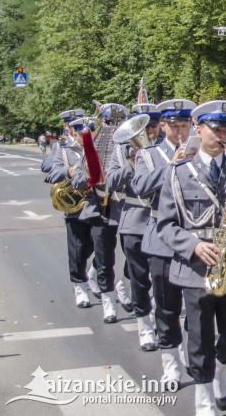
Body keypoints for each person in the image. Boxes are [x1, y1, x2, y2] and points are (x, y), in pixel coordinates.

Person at [156, 100, 226, 415]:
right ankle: (204, 398)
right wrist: (192, 246)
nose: (223, 135)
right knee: (198, 334)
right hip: (194, 266)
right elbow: (166, 225)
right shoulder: (177, 172)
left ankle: (221, 368)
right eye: (216, 129)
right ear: (198, 130)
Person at [132, 98, 198, 384]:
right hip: (161, 236)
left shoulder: (200, 151)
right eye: (174, 126)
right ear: (163, 126)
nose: (180, 131)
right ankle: (169, 357)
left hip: (196, 235)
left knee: (197, 305)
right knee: (166, 304)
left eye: (185, 125)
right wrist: (171, 166)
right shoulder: (148, 154)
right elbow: (140, 187)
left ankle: (195, 355)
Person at [107, 103, 163, 352]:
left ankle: (161, 322)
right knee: (139, 279)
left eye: (152, 125)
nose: (148, 131)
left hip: (162, 220)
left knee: (161, 279)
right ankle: (144, 326)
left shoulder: (166, 148)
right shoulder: (121, 149)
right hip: (134, 221)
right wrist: (131, 165)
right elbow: (109, 181)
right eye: (143, 126)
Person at [71, 103, 131, 325]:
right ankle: (108, 302)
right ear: (102, 123)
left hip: (127, 209)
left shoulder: (130, 148)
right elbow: (77, 179)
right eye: (109, 122)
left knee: (134, 257)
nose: (113, 127)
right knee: (105, 259)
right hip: (100, 209)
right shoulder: (92, 148)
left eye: (118, 122)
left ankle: (124, 284)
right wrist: (90, 177)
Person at [46, 110, 97, 309]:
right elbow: (51, 173)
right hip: (75, 208)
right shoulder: (64, 150)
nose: (80, 135)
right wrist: (69, 171)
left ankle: (92, 275)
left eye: (86, 131)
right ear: (72, 132)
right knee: (77, 250)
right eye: (77, 131)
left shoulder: (98, 149)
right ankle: (80, 287)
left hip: (97, 206)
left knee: (100, 248)